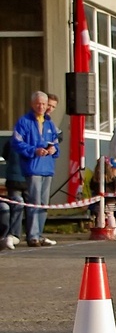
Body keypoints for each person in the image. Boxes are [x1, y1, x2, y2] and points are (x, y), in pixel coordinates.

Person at [12, 91, 60, 246]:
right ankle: (32, 235)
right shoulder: (24, 121)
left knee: (44, 203)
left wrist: (54, 150)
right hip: (33, 167)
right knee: (34, 201)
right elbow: (17, 143)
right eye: (38, 103)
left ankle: (39, 234)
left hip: (48, 168)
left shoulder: (50, 123)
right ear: (32, 104)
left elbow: (56, 142)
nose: (41, 106)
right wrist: (34, 150)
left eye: (44, 104)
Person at [1, 137, 27, 250]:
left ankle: (14, 235)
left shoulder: (11, 141)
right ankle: (12, 235)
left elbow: (5, 156)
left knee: (16, 205)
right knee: (14, 205)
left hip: (14, 179)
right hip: (21, 179)